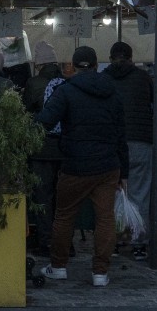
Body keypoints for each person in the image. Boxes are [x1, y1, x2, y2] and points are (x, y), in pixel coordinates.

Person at [33, 46, 125, 287]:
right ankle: (100, 273)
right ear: (96, 65)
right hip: (108, 165)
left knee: (64, 216)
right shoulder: (112, 91)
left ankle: (58, 266)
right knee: (105, 218)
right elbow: (121, 134)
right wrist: (123, 172)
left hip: (76, 164)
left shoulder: (66, 91)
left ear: (72, 67)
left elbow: (45, 121)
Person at [103, 41, 154, 260]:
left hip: (112, 142)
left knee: (112, 193)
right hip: (140, 140)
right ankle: (139, 242)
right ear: (131, 58)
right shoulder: (143, 78)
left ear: (110, 58)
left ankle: (115, 240)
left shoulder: (104, 78)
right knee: (139, 193)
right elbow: (153, 102)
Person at [23, 40, 65, 255]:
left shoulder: (34, 83)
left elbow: (26, 111)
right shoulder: (66, 82)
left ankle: (46, 241)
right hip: (65, 148)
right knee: (63, 197)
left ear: (38, 64)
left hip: (41, 147)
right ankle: (65, 242)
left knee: (43, 196)